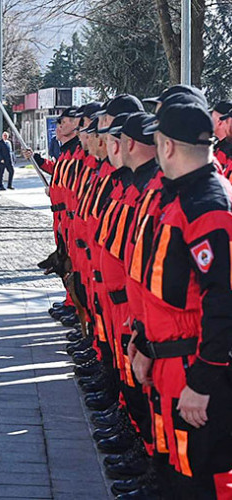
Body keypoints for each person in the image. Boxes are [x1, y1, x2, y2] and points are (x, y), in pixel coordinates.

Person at [130, 103, 232, 499]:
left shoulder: (208, 206)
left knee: (200, 478)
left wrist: (202, 382)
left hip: (194, 368)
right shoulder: (184, 197)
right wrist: (146, 346)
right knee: (177, 468)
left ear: (167, 147)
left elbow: (222, 302)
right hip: (170, 361)